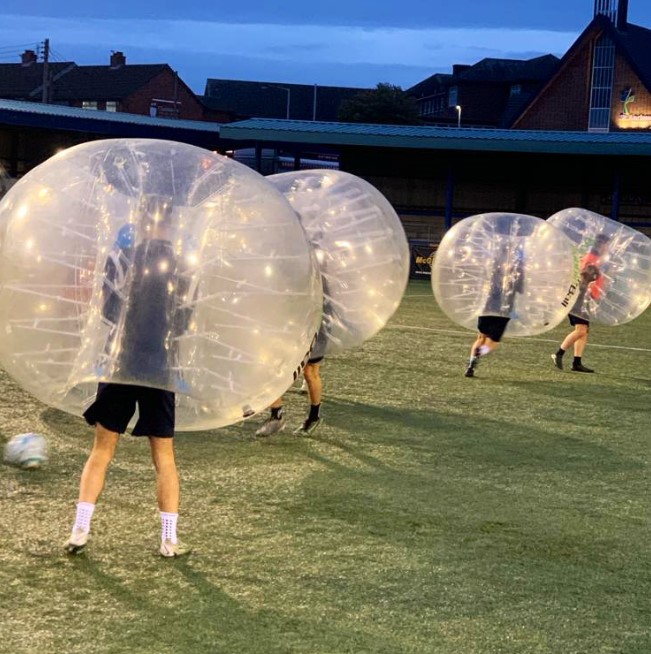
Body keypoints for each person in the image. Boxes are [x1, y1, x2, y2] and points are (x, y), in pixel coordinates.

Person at [65, 194, 193, 558]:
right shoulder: (181, 264)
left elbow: (108, 311)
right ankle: (168, 539)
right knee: (163, 456)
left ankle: (80, 529)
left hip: (119, 361)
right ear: (170, 222)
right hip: (159, 365)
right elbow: (184, 320)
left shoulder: (120, 258)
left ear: (140, 219)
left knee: (102, 450)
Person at [551, 233, 609, 373]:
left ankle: (577, 362)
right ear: (601, 245)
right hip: (579, 300)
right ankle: (559, 353)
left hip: (582, 299)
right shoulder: (591, 260)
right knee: (581, 330)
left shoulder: (593, 259)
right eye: (606, 245)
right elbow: (584, 280)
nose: (607, 248)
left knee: (584, 331)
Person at [465, 243, 524, 378]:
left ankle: (471, 364)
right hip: (504, 310)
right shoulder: (518, 269)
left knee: (481, 337)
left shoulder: (494, 265)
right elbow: (520, 289)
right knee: (493, 341)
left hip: (488, 306)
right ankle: (481, 352)